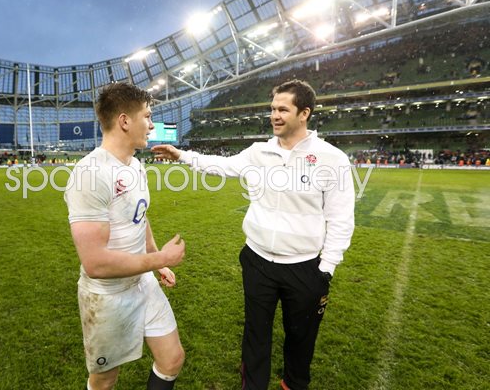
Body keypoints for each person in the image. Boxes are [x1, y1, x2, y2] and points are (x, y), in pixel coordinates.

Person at [152, 79, 355, 390]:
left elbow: (341, 219)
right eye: (272, 109)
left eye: (283, 109)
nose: (274, 115)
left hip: (305, 268)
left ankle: (293, 384)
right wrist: (182, 156)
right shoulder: (258, 152)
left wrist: (325, 269)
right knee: (255, 334)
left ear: (304, 113)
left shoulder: (332, 159)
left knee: (301, 338)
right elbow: (220, 166)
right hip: (257, 260)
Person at [64, 82, 186, 390]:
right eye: (147, 115)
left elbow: (139, 218)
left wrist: (157, 265)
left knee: (171, 359)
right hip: (107, 295)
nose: (152, 123)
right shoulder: (90, 174)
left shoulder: (135, 166)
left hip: (141, 281)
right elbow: (95, 264)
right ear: (124, 121)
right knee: (105, 381)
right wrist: (160, 258)